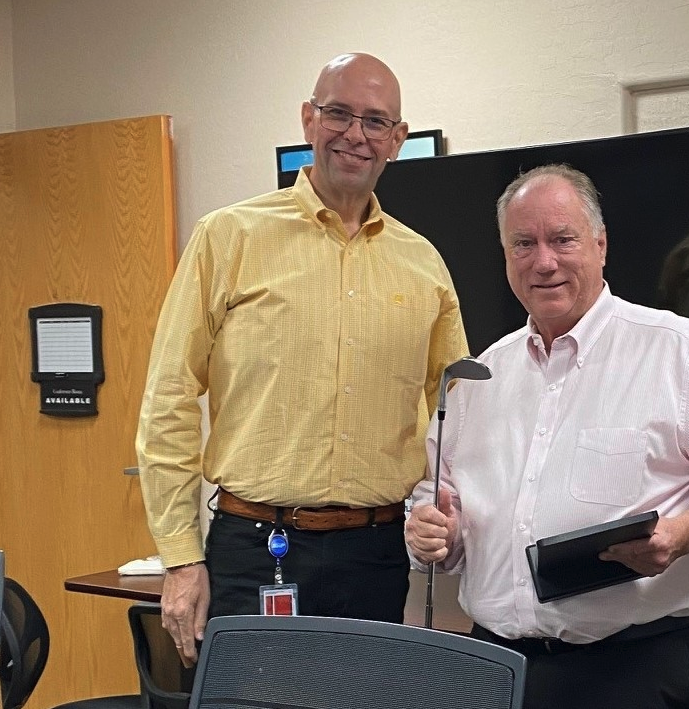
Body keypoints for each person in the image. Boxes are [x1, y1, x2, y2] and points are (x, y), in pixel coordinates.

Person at [405, 164, 689, 709]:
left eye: (562, 239)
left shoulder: (678, 352)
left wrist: (680, 534)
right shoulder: (479, 378)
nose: (544, 261)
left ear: (600, 245)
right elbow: (440, 501)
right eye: (523, 244)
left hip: (628, 673)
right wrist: (431, 531)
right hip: (493, 670)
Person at [136, 52, 468, 666]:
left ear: (396, 140)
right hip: (256, 548)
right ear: (309, 119)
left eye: (375, 122)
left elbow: (458, 415)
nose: (355, 134)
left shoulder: (424, 266)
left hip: (375, 554)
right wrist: (182, 558)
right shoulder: (228, 238)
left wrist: (441, 513)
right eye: (339, 113)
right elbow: (170, 400)